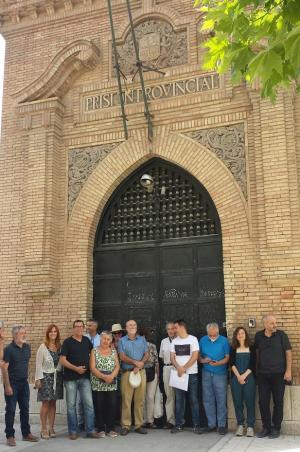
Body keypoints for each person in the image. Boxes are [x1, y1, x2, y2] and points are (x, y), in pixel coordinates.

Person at [59, 320, 100, 440]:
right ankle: (73, 431)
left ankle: (90, 430)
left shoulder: (86, 341)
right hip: (70, 379)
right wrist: (76, 368)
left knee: (89, 405)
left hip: (85, 378)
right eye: (76, 327)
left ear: (83, 328)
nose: (79, 329)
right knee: (71, 406)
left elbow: (93, 354)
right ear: (73, 328)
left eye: (81, 327)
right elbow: (62, 360)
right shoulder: (67, 342)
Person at [255, 315, 292, 439]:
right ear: (265, 324)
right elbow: (257, 354)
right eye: (271, 323)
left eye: (275, 322)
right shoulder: (258, 336)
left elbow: (288, 353)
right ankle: (266, 427)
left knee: (278, 402)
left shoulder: (282, 335)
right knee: (263, 402)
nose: (275, 325)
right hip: (263, 375)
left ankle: (276, 428)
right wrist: (257, 371)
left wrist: (288, 371)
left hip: (279, 375)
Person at [2, 325, 39, 447]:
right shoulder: (8, 349)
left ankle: (26, 433)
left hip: (24, 383)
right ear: (15, 335)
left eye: (25, 332)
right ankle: (10, 436)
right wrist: (7, 386)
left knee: (25, 409)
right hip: (12, 383)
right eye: (22, 333)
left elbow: (25, 364)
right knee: (11, 410)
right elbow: (4, 369)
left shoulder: (27, 347)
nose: (24, 335)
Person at [170, 319, 202, 434]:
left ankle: (196, 425)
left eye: (175, 327)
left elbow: (195, 356)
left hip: (191, 374)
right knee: (179, 400)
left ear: (182, 327)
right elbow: (172, 357)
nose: (174, 330)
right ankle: (178, 425)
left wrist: (184, 368)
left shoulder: (193, 339)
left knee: (193, 400)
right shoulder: (174, 341)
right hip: (178, 374)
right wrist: (179, 368)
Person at [118, 319, 149, 436]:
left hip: (141, 372)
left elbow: (147, 354)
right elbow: (122, 356)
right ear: (126, 328)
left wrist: (141, 364)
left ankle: (138, 425)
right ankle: (125, 425)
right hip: (127, 373)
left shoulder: (142, 339)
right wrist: (136, 363)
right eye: (130, 325)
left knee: (139, 400)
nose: (132, 326)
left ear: (137, 326)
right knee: (126, 400)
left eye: (134, 324)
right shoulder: (121, 341)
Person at [199, 322, 230, 435]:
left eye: (214, 334)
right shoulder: (202, 340)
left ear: (218, 332)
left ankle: (221, 425)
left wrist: (218, 363)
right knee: (208, 399)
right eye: (210, 335)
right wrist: (203, 360)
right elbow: (198, 355)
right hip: (206, 373)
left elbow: (227, 358)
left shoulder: (224, 340)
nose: (212, 336)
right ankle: (211, 424)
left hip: (220, 374)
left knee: (221, 399)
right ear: (207, 332)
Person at [35, 324, 64, 439]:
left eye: (55, 331)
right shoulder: (43, 347)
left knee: (53, 403)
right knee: (45, 403)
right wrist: (38, 379)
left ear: (57, 334)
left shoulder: (59, 346)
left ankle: (51, 427)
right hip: (46, 378)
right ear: (47, 333)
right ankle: (43, 428)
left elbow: (62, 362)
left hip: (57, 377)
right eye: (51, 331)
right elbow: (38, 364)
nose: (53, 333)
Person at [90, 331, 120, 438]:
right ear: (100, 339)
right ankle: (101, 428)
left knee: (111, 406)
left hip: (111, 383)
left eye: (108, 339)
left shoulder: (113, 351)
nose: (106, 341)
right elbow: (92, 368)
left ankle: (111, 428)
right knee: (99, 406)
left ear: (111, 340)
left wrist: (111, 376)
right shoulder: (94, 351)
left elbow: (117, 366)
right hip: (98, 383)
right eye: (104, 339)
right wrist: (104, 377)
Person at [230, 327, 256, 437]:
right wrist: (238, 377)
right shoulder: (233, 348)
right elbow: (231, 364)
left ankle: (250, 426)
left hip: (249, 378)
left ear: (246, 335)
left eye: (242, 333)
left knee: (250, 402)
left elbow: (253, 364)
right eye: (238, 333)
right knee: (237, 402)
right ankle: (240, 425)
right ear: (236, 336)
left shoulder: (251, 348)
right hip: (236, 378)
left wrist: (244, 376)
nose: (240, 335)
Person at [139, 328, 159, 429]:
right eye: (140, 336)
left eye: (143, 336)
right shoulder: (136, 346)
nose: (142, 338)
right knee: (141, 398)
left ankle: (150, 420)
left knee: (150, 397)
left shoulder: (152, 346)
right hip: (140, 372)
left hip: (151, 372)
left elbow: (156, 361)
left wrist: (158, 375)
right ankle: (141, 421)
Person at [159, 321, 176, 428]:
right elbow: (161, 356)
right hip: (167, 368)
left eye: (172, 328)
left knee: (179, 395)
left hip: (178, 369)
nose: (170, 331)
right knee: (169, 395)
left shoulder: (180, 340)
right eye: (168, 329)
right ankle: (170, 420)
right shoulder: (163, 341)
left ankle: (180, 420)